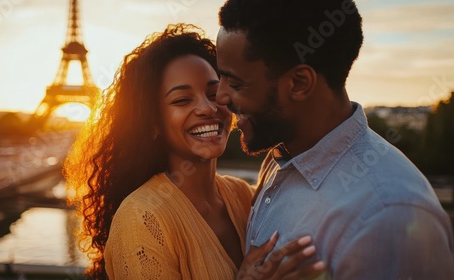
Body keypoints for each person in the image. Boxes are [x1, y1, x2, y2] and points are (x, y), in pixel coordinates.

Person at [65, 23, 325, 280]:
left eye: (213, 93)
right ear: (153, 123)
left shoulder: (244, 196)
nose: (207, 108)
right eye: (182, 100)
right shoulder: (141, 220)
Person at [215, 0, 454, 279]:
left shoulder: (387, 216)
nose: (220, 97)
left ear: (299, 83)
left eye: (235, 83)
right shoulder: (283, 154)